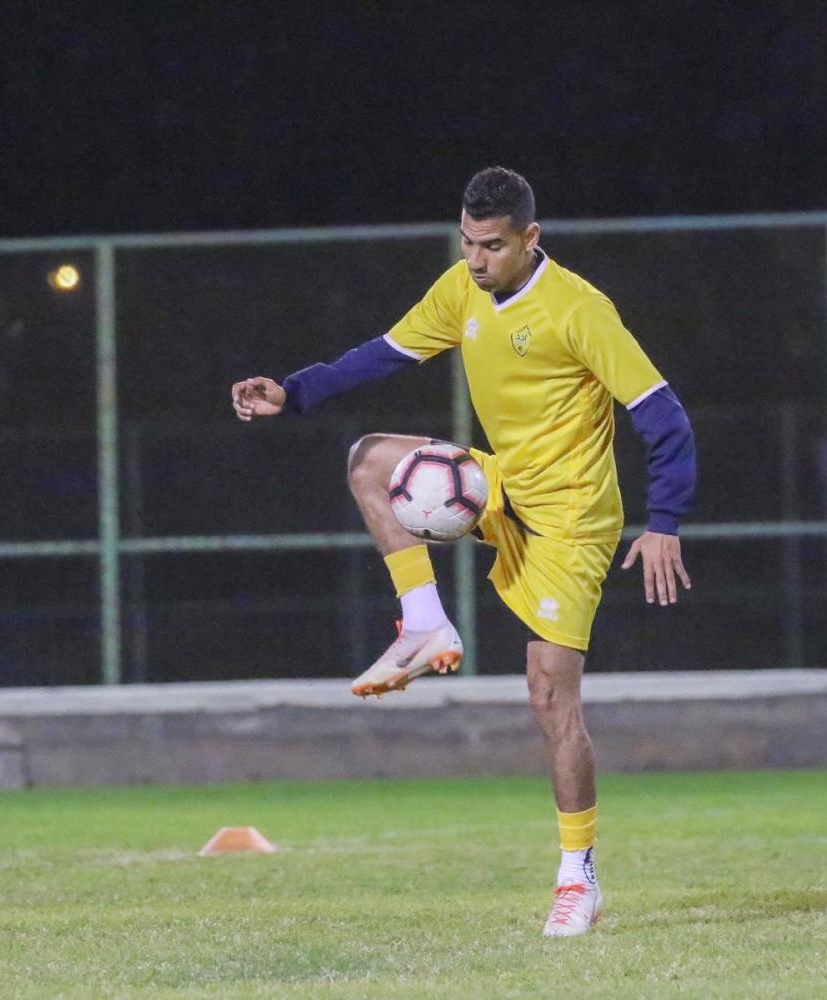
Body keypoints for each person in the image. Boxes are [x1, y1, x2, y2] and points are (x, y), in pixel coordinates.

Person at [231, 166, 696, 938]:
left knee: (549, 697)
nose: (476, 260)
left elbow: (663, 414)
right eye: (467, 243)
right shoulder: (461, 288)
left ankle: (577, 877)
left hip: (572, 521)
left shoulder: (580, 309)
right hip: (503, 486)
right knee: (368, 461)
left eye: (493, 247)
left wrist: (665, 521)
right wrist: (295, 390)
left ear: (530, 238)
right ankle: (424, 622)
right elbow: (386, 353)